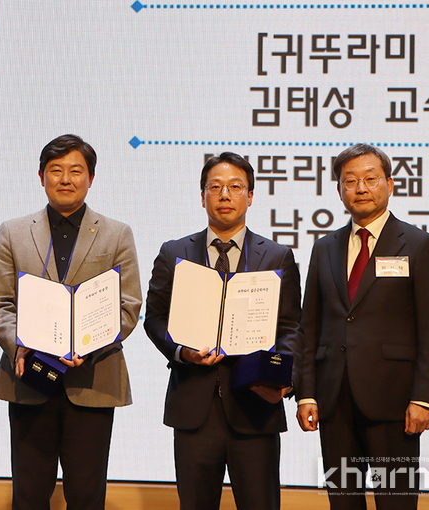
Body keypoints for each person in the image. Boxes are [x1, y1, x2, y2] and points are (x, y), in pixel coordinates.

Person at [0, 134, 141, 510]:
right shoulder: (13, 232)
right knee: (29, 495)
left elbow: (128, 306)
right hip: (29, 377)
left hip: (93, 378)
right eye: (56, 170)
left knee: (87, 496)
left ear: (91, 178)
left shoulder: (117, 233)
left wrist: (88, 343)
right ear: (41, 177)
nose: (66, 179)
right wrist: (20, 342)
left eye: (76, 171)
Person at [143, 152, 302, 510]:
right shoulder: (174, 253)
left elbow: (291, 326)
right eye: (215, 187)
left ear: (250, 195)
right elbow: (154, 318)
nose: (225, 195)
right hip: (194, 409)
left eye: (235, 187)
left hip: (256, 405)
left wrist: (282, 378)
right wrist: (182, 351)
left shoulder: (277, 256)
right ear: (202, 197)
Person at [296, 144, 429, 509]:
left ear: (389, 184)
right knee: (343, 501)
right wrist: (306, 393)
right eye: (350, 181)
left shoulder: (418, 244)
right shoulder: (324, 248)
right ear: (339, 190)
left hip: (395, 401)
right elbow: (309, 325)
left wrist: (424, 398)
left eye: (370, 178)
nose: (360, 188)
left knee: (396, 501)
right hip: (334, 400)